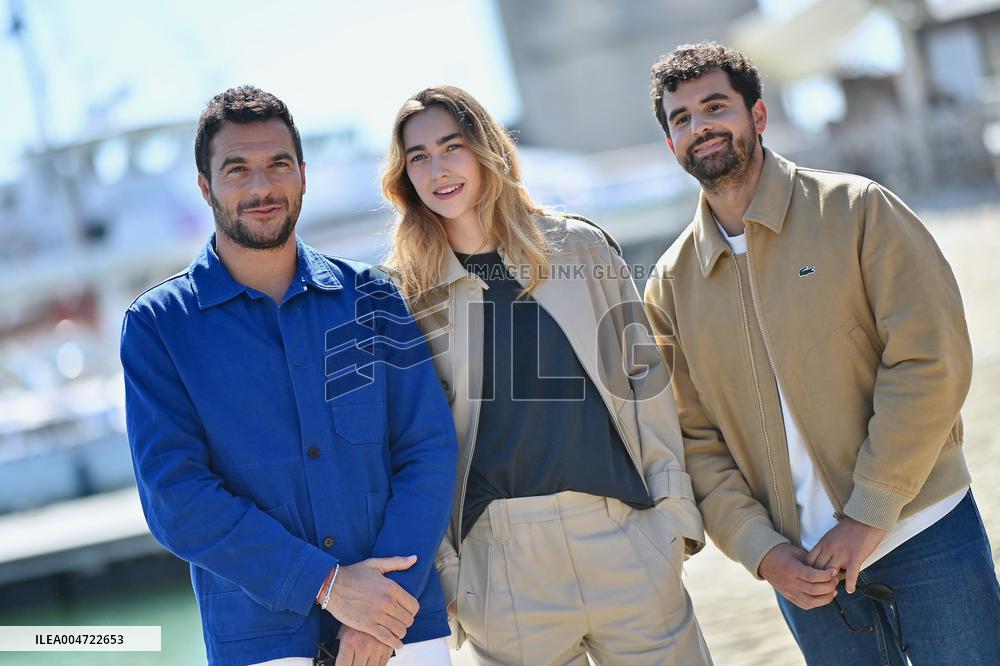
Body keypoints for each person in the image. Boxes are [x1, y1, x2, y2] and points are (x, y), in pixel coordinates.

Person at [644, 42, 1000, 664]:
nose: (699, 127)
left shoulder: (858, 210)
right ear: (670, 144)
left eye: (714, 107)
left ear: (757, 116)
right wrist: (761, 550)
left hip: (924, 528)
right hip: (805, 572)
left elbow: (930, 360)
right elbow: (694, 441)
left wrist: (868, 514)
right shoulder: (671, 286)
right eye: (681, 119)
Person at [120, 85, 457, 666]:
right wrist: (327, 585)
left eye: (278, 164)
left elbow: (427, 447)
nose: (261, 187)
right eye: (237, 169)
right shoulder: (158, 327)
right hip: (259, 640)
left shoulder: (372, 297)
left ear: (303, 174)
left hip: (401, 626)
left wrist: (381, 607)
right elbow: (175, 498)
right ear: (205, 187)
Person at [381, 85, 712, 666]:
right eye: (419, 157)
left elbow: (645, 380)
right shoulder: (407, 295)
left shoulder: (579, 247)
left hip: (627, 537)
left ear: (486, 149)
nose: (439, 170)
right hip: (502, 566)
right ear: (404, 176)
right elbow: (407, 445)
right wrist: (449, 573)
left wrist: (673, 515)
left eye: (451, 147)